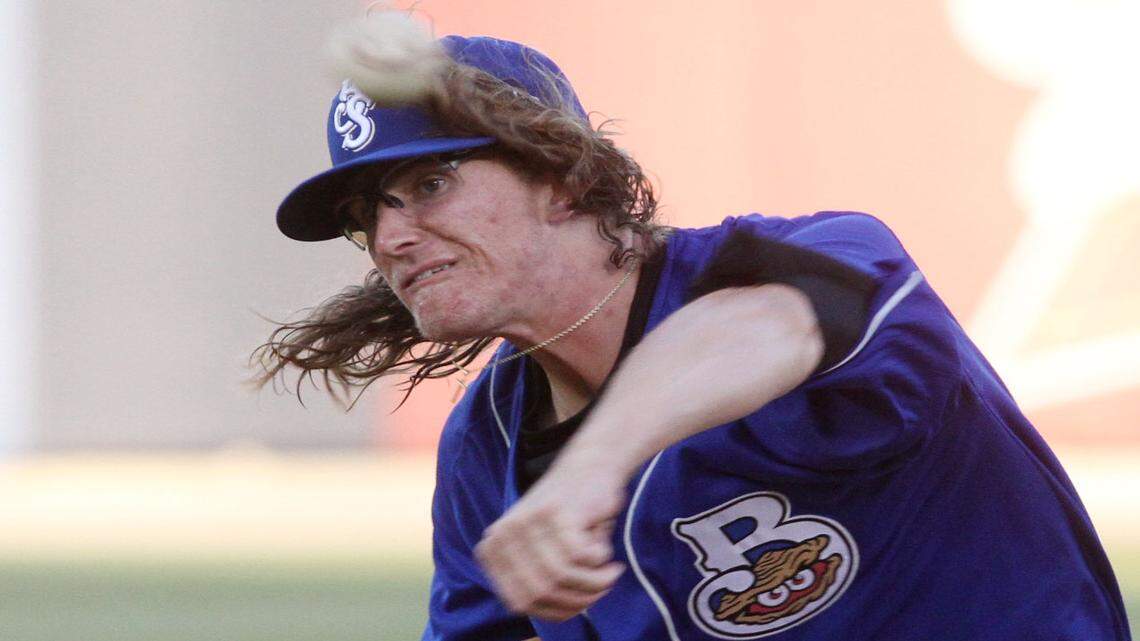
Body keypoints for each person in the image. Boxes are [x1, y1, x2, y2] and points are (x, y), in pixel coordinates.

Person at [258, 16, 1132, 641]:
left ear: (560, 175)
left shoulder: (813, 262)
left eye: (431, 185)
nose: (391, 235)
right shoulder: (488, 444)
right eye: (366, 213)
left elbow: (773, 331)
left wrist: (590, 469)